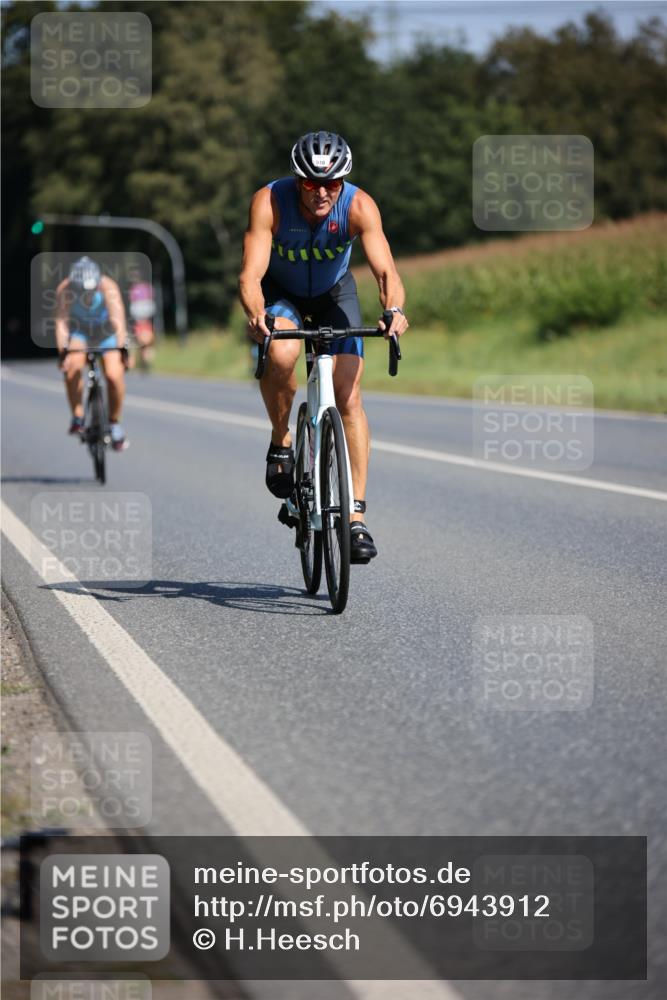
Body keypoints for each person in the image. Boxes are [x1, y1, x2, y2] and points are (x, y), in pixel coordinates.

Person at [238, 130, 409, 563]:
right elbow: (251, 276)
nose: (321, 192)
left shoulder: (359, 205)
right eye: (311, 183)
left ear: (343, 182)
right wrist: (258, 315)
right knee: (281, 354)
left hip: (335, 295)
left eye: (331, 184)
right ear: (298, 180)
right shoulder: (270, 202)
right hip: (283, 295)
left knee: (349, 395)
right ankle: (281, 440)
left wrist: (393, 311)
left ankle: (355, 519)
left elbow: (386, 272)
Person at [55, 256, 129, 451]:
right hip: (80, 330)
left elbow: (118, 320)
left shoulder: (108, 286)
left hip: (105, 331)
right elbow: (62, 323)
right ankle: (78, 417)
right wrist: (63, 352)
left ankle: (114, 424)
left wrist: (122, 349)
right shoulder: (65, 288)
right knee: (72, 367)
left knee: (114, 375)